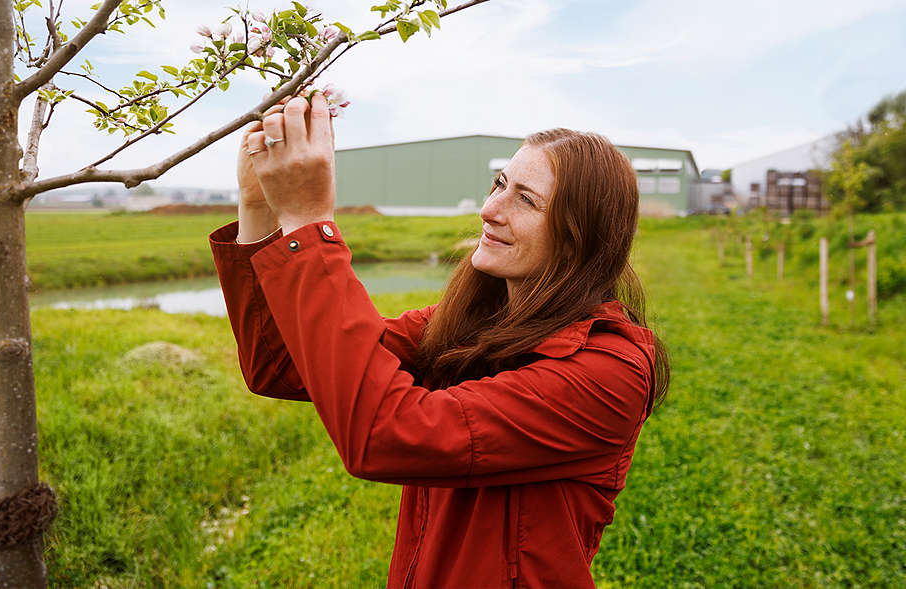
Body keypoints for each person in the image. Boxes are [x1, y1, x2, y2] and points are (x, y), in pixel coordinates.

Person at [209, 94, 669, 588]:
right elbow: (282, 366)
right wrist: (260, 208)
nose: (490, 209)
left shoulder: (607, 371)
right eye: (499, 184)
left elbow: (385, 435)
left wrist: (307, 221)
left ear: (581, 235)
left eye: (526, 199)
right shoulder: (469, 324)